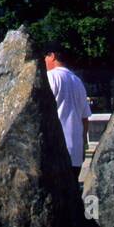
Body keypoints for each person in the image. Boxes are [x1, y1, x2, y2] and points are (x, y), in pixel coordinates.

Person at [44, 43, 91, 187]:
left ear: (52, 56)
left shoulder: (50, 77)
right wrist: (83, 144)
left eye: (45, 57)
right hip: (75, 151)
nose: (44, 61)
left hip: (55, 150)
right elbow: (85, 118)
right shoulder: (77, 81)